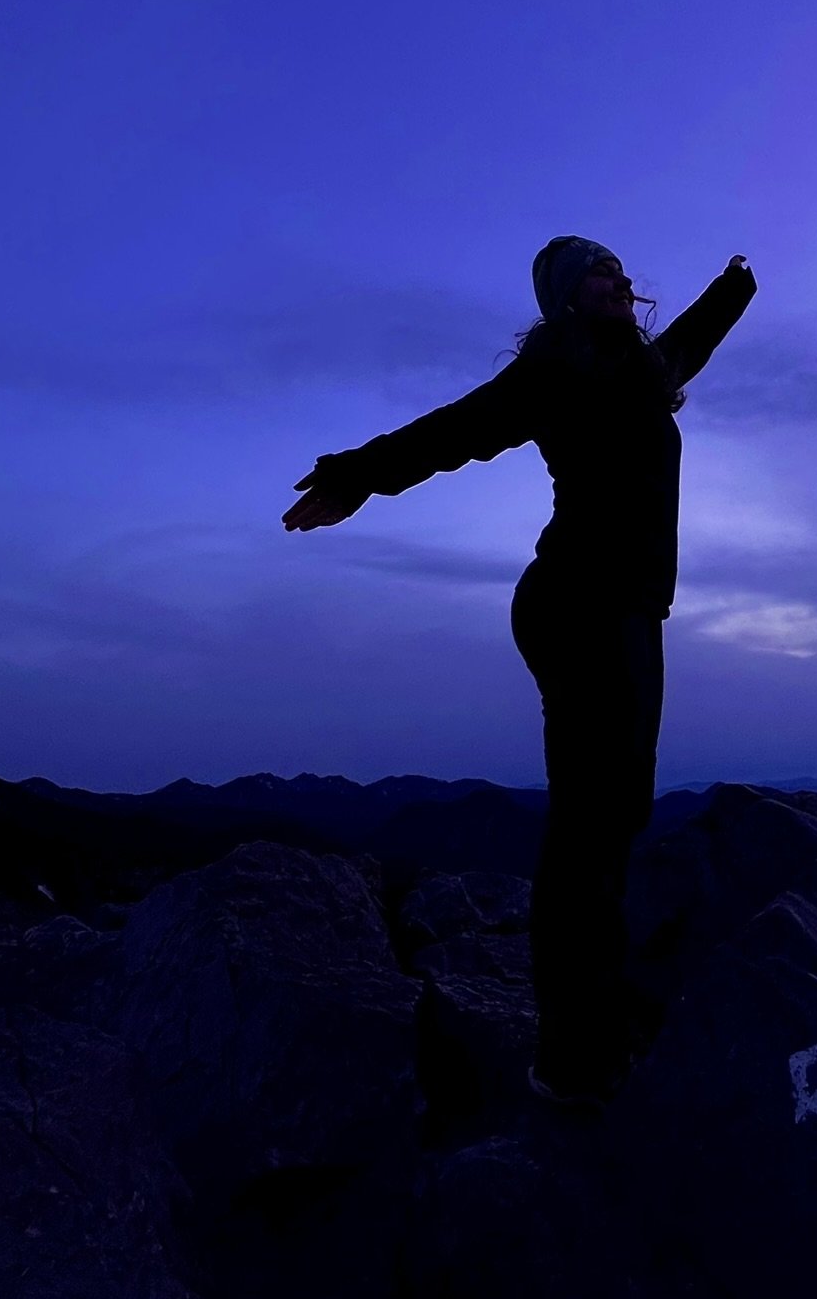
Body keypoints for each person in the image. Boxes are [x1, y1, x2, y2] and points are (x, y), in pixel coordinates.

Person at [282, 237, 758, 1110]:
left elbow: (689, 343)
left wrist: (734, 290)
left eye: (618, 271)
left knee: (616, 819)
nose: (616, 282)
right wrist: (355, 477)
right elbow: (451, 433)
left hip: (629, 614)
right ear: (565, 301)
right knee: (587, 831)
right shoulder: (550, 375)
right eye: (594, 276)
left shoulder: (644, 374)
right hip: (575, 606)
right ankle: (573, 1061)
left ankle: (594, 1029)